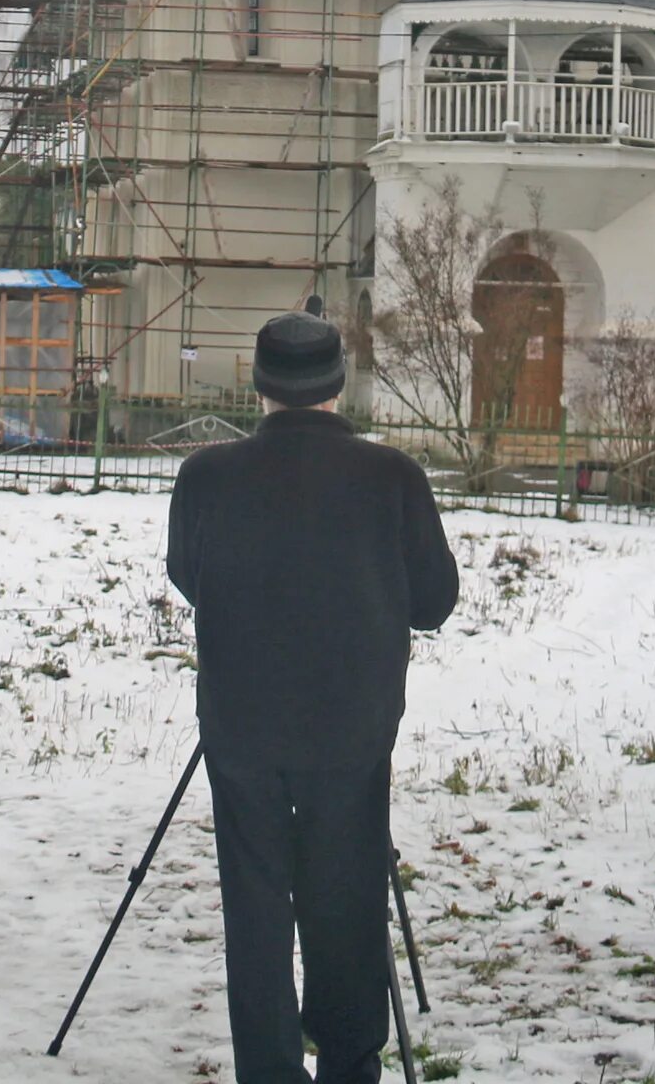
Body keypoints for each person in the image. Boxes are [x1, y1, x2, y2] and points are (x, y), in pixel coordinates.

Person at [167, 309, 458, 1084]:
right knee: (347, 889)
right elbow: (434, 601)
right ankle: (349, 1061)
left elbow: (188, 577)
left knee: (255, 902)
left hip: (241, 723)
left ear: (260, 386)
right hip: (352, 725)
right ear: (336, 385)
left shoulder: (206, 476)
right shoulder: (391, 476)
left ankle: (267, 1067)